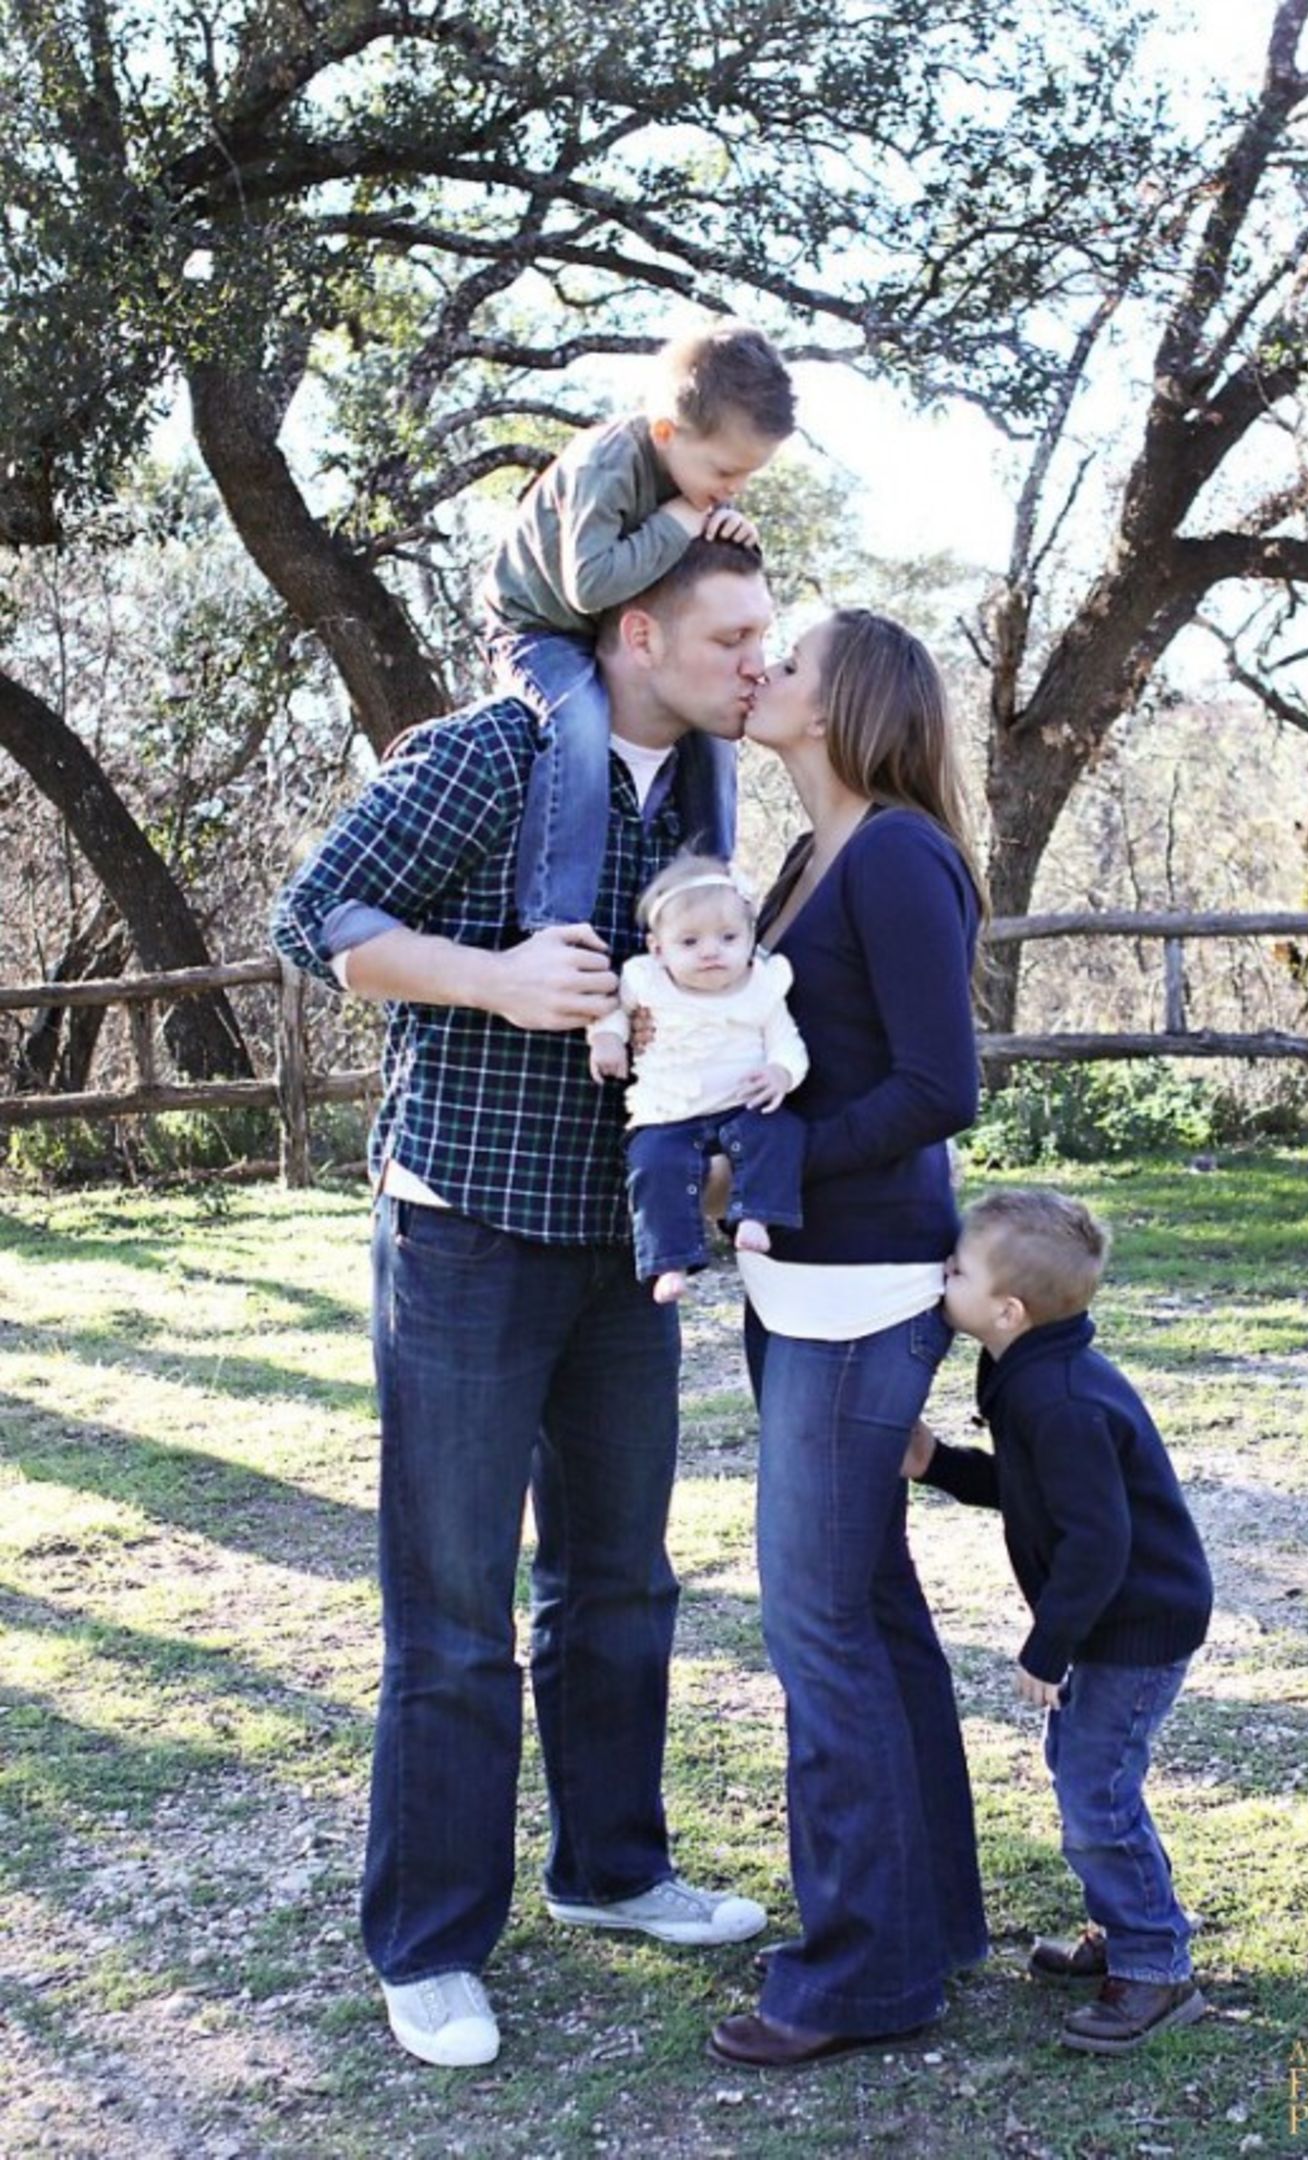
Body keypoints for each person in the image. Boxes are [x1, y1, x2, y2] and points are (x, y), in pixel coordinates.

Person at [270, 540, 774, 2072]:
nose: (762, 662)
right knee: (454, 1609)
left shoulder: (703, 793)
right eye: (734, 636)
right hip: (465, 1236)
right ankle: (427, 1947)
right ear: (637, 632)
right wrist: (490, 978)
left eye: (769, 638)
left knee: (619, 1584)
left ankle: (615, 1871)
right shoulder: (492, 752)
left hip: (626, 1248)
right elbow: (315, 917)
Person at [707, 608, 991, 2071]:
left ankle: (860, 1975)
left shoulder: (894, 855)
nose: (763, 676)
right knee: (869, 1612)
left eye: (791, 664)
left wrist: (781, 1165)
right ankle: (927, 1924)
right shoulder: (811, 861)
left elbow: (946, 1088)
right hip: (799, 1295)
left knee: (817, 1628)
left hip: (866, 1299)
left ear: (846, 703)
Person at [904, 1187, 1213, 2055]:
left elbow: (1099, 1539)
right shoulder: (1031, 1370)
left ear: (1006, 1309)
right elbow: (1033, 1489)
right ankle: (1125, 1925)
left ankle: (1155, 1966)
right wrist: (941, 1467)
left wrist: (1049, 1646)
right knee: (1083, 1772)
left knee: (1096, 1792)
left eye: (957, 1269)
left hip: (1134, 1623)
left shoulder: (1060, 1398)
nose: (943, 1274)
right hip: (1113, 1618)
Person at [483, 321, 795, 931]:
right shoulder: (609, 466)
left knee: (712, 728)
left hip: (609, 625)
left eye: (746, 478)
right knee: (577, 719)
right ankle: (554, 916)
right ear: (665, 433)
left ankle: (710, 890)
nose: (732, 489)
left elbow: (689, 566)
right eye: (725, 473)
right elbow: (591, 584)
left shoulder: (691, 470)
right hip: (535, 625)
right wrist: (682, 520)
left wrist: (730, 530)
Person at [588, 853, 809, 1302]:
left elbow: (789, 1042)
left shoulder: (761, 988)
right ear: (658, 948)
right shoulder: (646, 982)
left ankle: (755, 1217)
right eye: (689, 942)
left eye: (728, 937)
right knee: (652, 1164)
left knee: (782, 1132)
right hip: (668, 1111)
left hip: (741, 1103)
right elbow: (611, 1013)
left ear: (749, 937)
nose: (711, 951)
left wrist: (780, 1073)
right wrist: (607, 1040)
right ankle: (669, 1262)